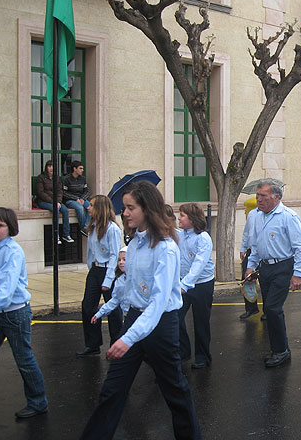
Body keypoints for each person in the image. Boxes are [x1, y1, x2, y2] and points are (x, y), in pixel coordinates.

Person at [81, 181, 201, 440]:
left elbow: (157, 303)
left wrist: (127, 338)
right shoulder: (134, 244)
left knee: (175, 391)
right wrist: (111, 309)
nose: (124, 213)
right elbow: (129, 288)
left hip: (161, 324)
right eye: (124, 207)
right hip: (135, 319)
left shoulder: (166, 249)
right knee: (112, 390)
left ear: (147, 208)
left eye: (130, 207)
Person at [0, 208, 48, 419]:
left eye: (0, 225)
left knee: (24, 359)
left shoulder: (13, 251)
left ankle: (38, 402)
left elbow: (8, 287)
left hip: (15, 313)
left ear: (10, 227)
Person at [245, 180, 301, 367]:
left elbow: (300, 247)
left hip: (283, 267)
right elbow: (255, 245)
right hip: (265, 268)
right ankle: (277, 348)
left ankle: (281, 350)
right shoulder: (257, 216)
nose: (259, 199)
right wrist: (251, 266)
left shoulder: (288, 216)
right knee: (268, 310)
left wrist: (297, 274)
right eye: (257, 196)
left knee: (273, 308)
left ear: (276, 197)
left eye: (263, 196)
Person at [77, 195, 123, 357]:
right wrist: (91, 268)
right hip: (95, 270)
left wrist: (109, 279)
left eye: (92, 205)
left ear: (101, 208)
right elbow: (91, 252)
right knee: (88, 306)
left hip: (108, 271)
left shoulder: (112, 229)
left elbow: (114, 255)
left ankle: (116, 344)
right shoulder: (93, 227)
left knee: (113, 310)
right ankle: (92, 344)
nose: (88, 208)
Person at [177, 203, 215, 369]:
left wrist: (185, 284)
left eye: (182, 215)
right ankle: (183, 350)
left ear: (192, 219)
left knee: (201, 322)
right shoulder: (179, 235)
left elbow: (199, 264)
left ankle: (203, 356)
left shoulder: (203, 238)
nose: (179, 218)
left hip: (201, 285)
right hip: (182, 284)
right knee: (175, 318)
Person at [35, 159, 74, 244]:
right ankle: (56, 235)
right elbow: (40, 192)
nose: (51, 168)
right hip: (44, 201)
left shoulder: (57, 178)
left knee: (65, 210)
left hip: (56, 202)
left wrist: (59, 202)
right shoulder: (41, 178)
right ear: (46, 167)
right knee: (55, 211)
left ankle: (66, 234)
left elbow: (60, 191)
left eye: (53, 166)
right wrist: (53, 202)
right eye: (49, 166)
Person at [240, 198, 261, 319]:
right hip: (251, 251)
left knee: (264, 281)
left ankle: (267, 312)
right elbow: (246, 232)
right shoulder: (252, 213)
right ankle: (250, 308)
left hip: (263, 253)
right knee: (247, 280)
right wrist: (243, 248)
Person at [63, 160, 91, 235]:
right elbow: (64, 193)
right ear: (75, 169)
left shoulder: (83, 179)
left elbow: (87, 190)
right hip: (70, 200)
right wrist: (76, 199)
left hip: (81, 198)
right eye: (80, 168)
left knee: (91, 207)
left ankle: (86, 227)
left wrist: (82, 198)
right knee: (79, 208)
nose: (82, 170)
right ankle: (83, 228)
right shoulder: (67, 179)